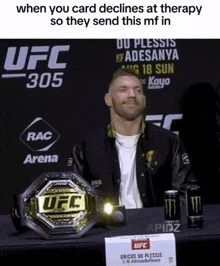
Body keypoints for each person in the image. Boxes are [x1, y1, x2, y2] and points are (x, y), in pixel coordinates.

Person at [71, 69, 194, 208]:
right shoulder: (88, 146)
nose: (132, 95)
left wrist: (167, 221)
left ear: (144, 100)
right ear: (108, 99)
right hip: (106, 228)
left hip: (156, 226)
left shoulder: (168, 141)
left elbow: (186, 192)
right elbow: (75, 197)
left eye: (138, 90)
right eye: (123, 90)